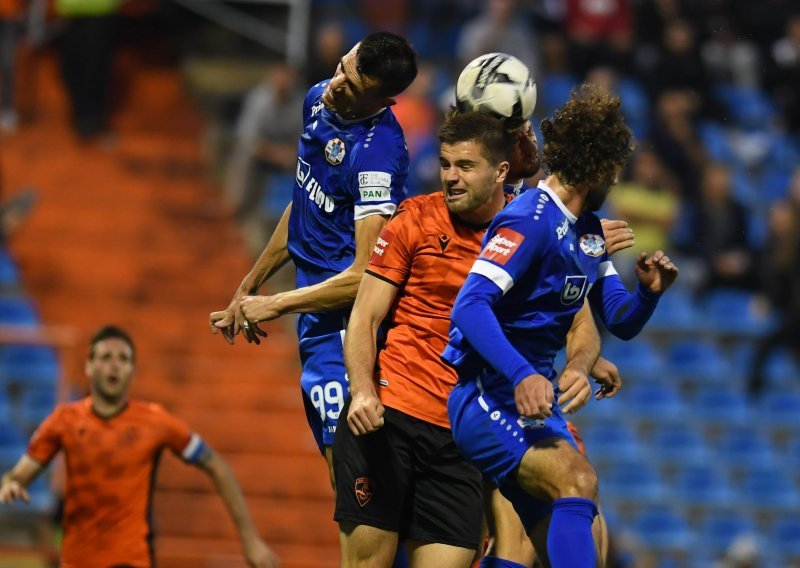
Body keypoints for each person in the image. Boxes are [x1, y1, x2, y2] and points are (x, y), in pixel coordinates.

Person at [334, 110, 629, 568]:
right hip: (394, 417)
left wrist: (580, 362)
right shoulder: (415, 219)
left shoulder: (542, 226)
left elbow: (583, 322)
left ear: (501, 172)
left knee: (572, 519)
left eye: (465, 166)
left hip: (458, 434)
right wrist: (362, 390)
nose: (450, 177)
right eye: (446, 164)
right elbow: (365, 317)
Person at [443, 84, 679, 568]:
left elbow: (619, 319)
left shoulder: (589, 233)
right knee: (578, 481)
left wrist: (649, 294)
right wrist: (523, 374)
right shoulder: (528, 220)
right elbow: (469, 307)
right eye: (616, 169)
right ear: (601, 169)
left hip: (531, 407)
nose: (617, 178)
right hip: (485, 396)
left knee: (551, 544)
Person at [209, 32, 418, 485]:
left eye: (351, 80)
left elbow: (368, 275)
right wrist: (250, 285)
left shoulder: (377, 156)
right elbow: (303, 203)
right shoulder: (317, 100)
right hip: (312, 313)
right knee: (348, 483)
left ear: (379, 97)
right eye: (341, 65)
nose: (335, 82)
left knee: (352, 481)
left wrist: (278, 303)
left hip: (348, 326)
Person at [0, 325, 278, 568]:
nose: (114, 366)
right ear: (88, 366)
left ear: (132, 371)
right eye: (106, 357)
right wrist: (12, 483)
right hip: (77, 561)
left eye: (123, 359)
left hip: (132, 560)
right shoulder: (64, 420)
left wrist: (250, 540)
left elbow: (216, 465)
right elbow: (19, 476)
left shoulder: (155, 422)